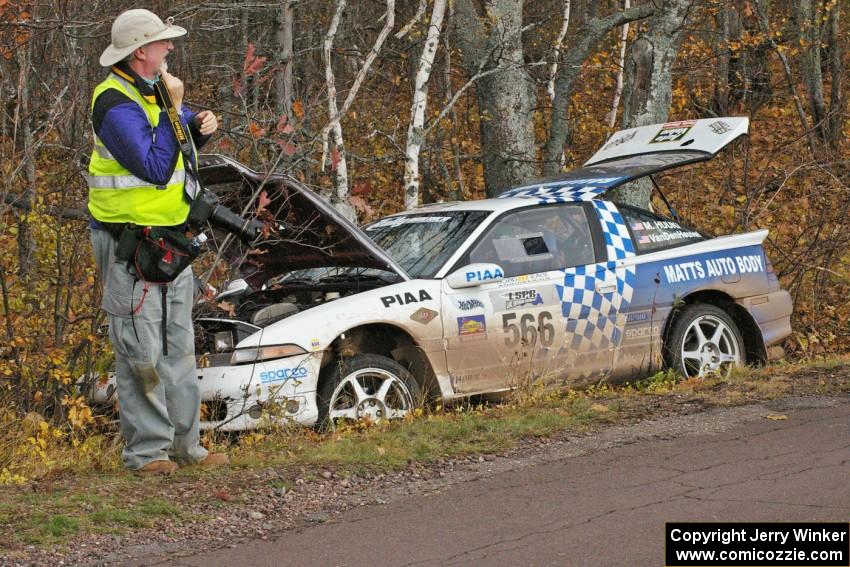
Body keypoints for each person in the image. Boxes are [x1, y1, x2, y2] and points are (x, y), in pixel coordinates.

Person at [87, 9, 228, 474]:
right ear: (141, 51)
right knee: (139, 353)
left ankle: (187, 449)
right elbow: (152, 165)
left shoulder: (156, 94)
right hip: (129, 246)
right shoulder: (113, 103)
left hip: (171, 243)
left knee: (177, 348)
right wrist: (177, 112)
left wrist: (198, 124)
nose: (170, 49)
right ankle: (147, 454)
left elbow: (179, 150)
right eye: (163, 43)